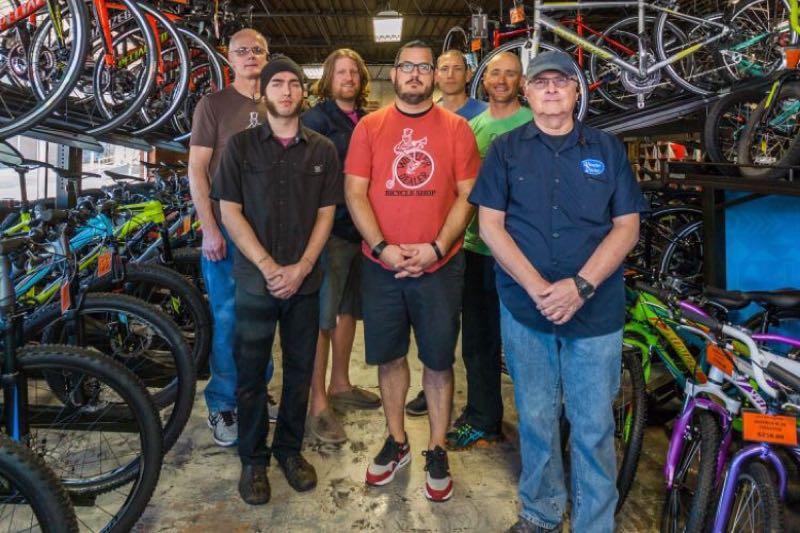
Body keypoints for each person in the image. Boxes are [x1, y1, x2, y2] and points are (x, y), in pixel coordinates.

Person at [469, 50, 647, 532]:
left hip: (596, 313)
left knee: (593, 427)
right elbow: (490, 226)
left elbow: (626, 227)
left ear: (576, 90)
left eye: (561, 81)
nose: (551, 89)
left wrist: (580, 286)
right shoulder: (505, 150)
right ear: (526, 91)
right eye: (542, 82)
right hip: (527, 310)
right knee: (537, 419)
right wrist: (541, 289)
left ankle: (594, 524)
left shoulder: (607, 149)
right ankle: (541, 512)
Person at [345, 40, 481, 502]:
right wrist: (382, 247)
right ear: (395, 73)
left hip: (440, 266)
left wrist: (437, 247)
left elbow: (468, 195)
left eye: (426, 67)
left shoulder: (458, 129)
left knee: (440, 361)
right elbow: (356, 193)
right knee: (389, 357)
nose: (417, 75)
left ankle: (437, 447)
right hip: (381, 265)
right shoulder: (370, 126)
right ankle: (398, 441)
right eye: (409, 67)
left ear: (439, 76)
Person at [211, 57, 342, 505]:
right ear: (263, 93)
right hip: (254, 281)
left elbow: (327, 213)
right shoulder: (241, 147)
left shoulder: (322, 148)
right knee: (250, 376)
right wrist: (268, 266)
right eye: (277, 84)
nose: (286, 91)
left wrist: (303, 266)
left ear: (302, 94)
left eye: (293, 84)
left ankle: (289, 451)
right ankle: (253, 460)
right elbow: (229, 211)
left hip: (304, 282)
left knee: (300, 373)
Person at [188, 28, 275, 447]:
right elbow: (197, 169)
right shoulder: (214, 105)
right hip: (225, 229)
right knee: (227, 320)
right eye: (242, 51)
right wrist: (208, 227)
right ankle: (223, 402)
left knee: (265, 317)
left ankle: (257, 392)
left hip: (269, 232)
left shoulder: (279, 102)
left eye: (258, 50)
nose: (250, 56)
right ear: (229, 58)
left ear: (267, 56)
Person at [446, 51, 532, 450]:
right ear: (483, 81)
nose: (501, 80)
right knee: (478, 341)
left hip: (521, 253)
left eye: (510, 74)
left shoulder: (534, 123)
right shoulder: (471, 127)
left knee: (523, 344)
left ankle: (537, 428)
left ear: (522, 82)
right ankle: (484, 417)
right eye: (495, 73)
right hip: (476, 248)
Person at [301, 49, 381, 445]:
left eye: (354, 71)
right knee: (324, 316)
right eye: (341, 72)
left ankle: (341, 385)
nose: (348, 77)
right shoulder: (315, 119)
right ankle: (316, 402)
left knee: (349, 310)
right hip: (330, 231)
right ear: (329, 79)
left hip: (362, 233)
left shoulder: (369, 119)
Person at [404, 48, 486, 418]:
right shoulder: (426, 113)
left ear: (469, 75)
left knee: (473, 327)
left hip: (477, 234)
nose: (450, 74)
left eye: (458, 69)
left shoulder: (481, 115)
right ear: (436, 75)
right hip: (441, 240)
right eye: (444, 68)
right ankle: (432, 390)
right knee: (440, 328)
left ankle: (476, 400)